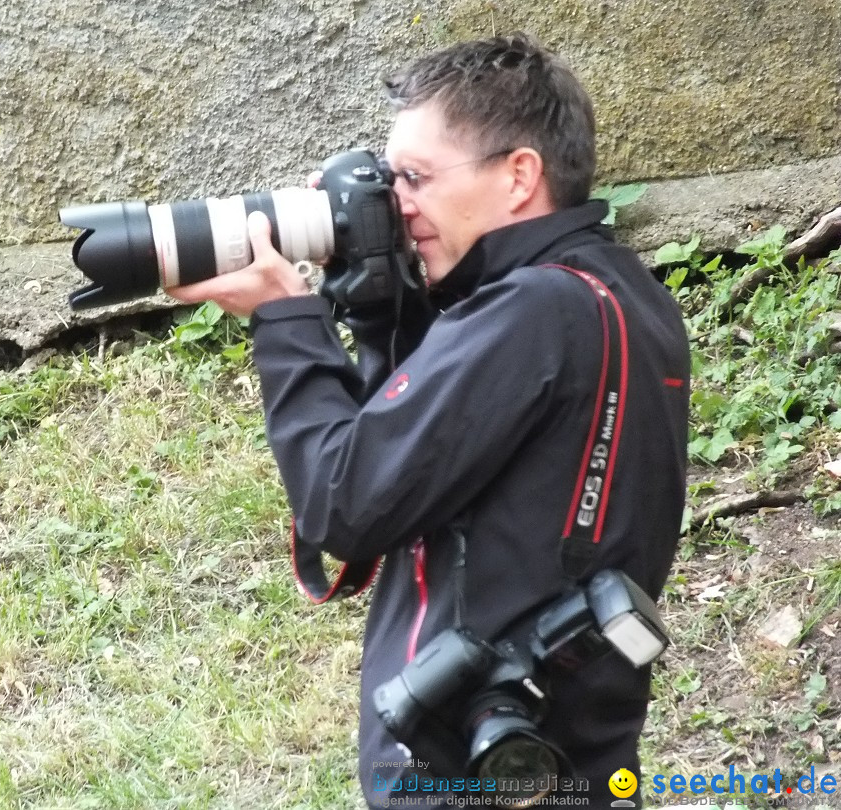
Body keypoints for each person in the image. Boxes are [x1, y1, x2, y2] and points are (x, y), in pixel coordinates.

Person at [169, 32, 689, 809]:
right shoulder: (619, 295)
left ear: (519, 175)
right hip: (567, 759)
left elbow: (347, 504)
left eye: (414, 177)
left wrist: (286, 321)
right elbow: (446, 470)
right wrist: (383, 309)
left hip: (461, 771)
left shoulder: (532, 312)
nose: (396, 202)